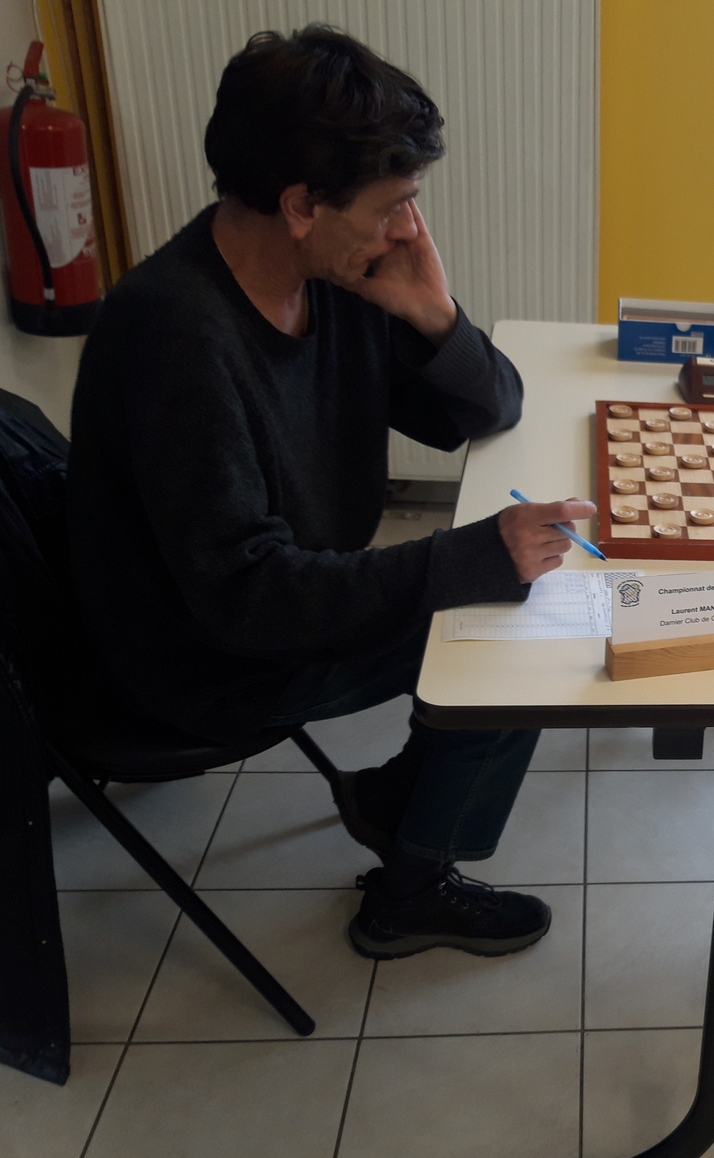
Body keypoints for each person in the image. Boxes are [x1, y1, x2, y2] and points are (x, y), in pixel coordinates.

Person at [67, 26, 595, 960]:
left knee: (495, 598)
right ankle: (409, 891)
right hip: (203, 661)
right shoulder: (174, 337)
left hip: (272, 604)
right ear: (303, 204)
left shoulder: (334, 279)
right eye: (395, 207)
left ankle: (397, 798)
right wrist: (473, 557)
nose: (409, 231)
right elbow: (247, 599)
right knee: (515, 642)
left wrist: (433, 312)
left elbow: (485, 409)